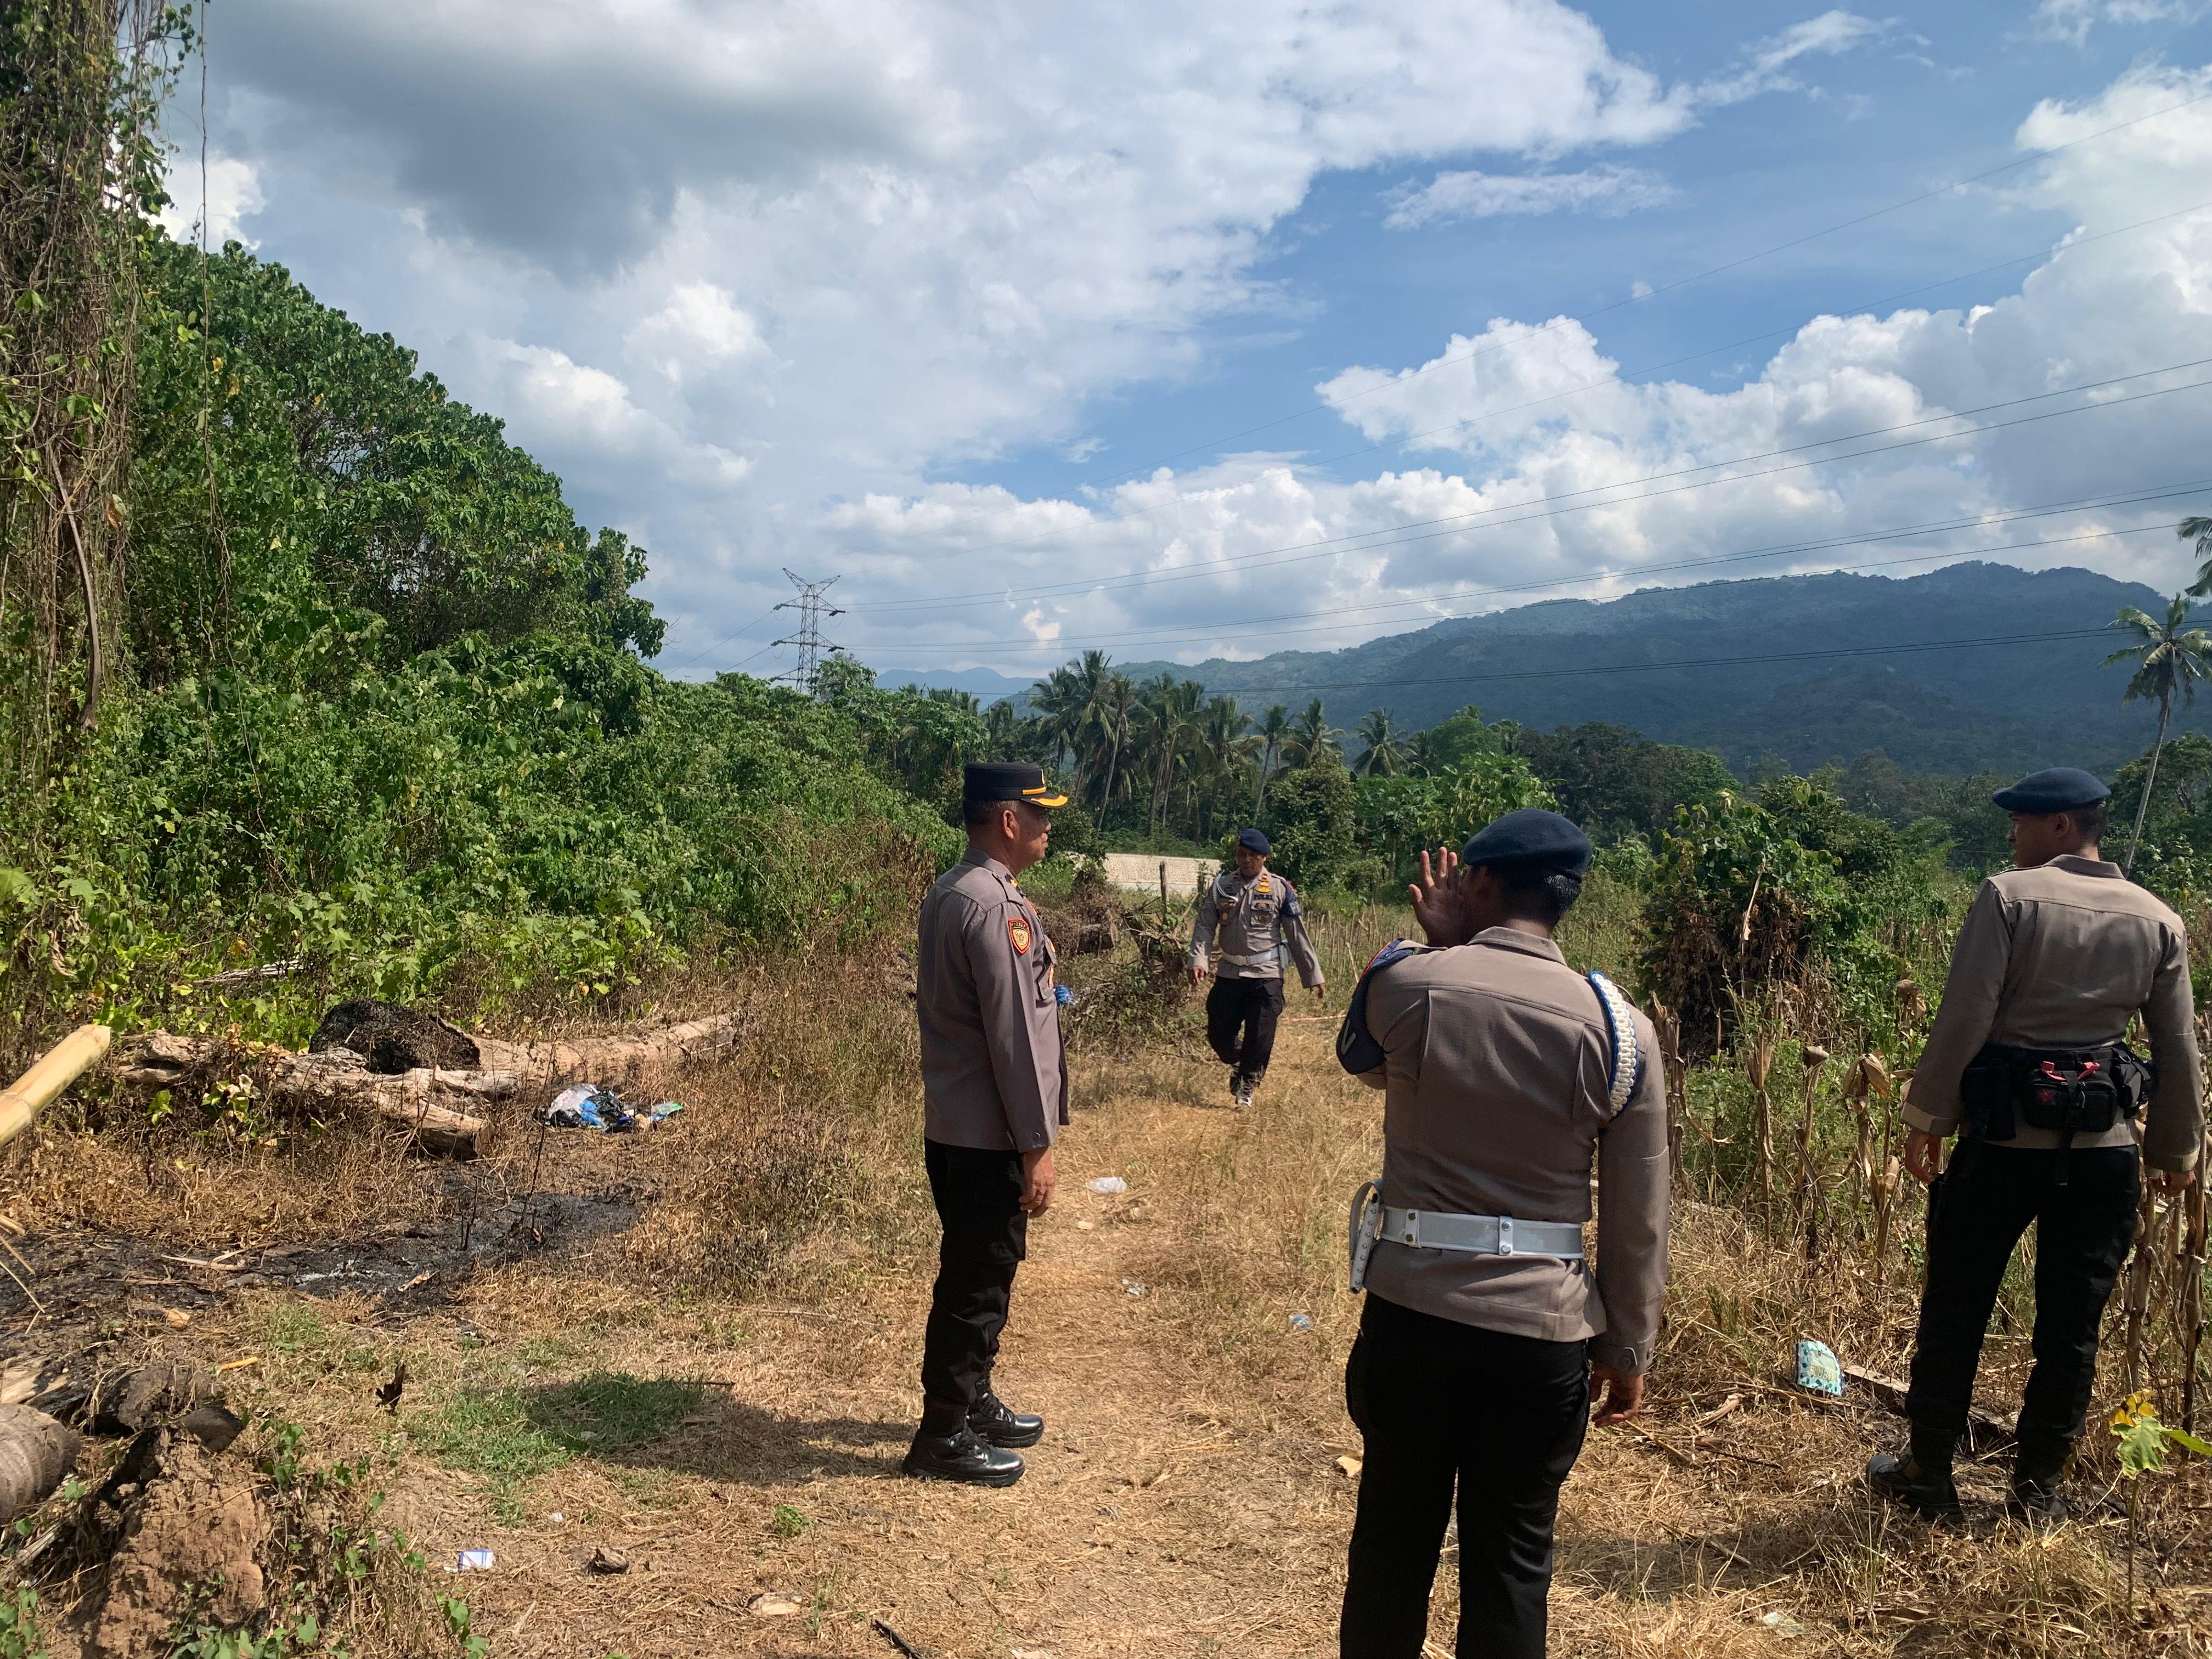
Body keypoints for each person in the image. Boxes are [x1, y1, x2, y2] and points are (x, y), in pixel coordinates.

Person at [1334, 809, 1669, 1659]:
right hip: (1543, 1333)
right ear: (1566, 900)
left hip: (1414, 1316)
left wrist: (1439, 945)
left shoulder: (1410, 985)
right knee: (1515, 1561)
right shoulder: (1622, 1029)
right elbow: (1638, 1214)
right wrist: (1626, 1348)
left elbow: (1363, 1059)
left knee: (1391, 1544)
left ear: (1479, 882)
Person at [1867, 767, 2203, 1522]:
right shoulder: (2158, 919)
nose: (2012, 834)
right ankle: (2037, 1489)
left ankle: (1928, 1473)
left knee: (1958, 1303)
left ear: (2061, 827)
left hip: (2002, 1142)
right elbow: (2177, 1048)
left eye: (2022, 822)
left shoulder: (2007, 898)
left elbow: (1965, 1018)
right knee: (2071, 1325)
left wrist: (1926, 1121)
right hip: (2104, 1151)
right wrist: (2176, 1151)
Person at [904, 761, 1071, 1487]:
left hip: (957, 1127)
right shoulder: (994, 909)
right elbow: (1015, 1039)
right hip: (988, 1137)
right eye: (1039, 816)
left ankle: (972, 1400)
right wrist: (1038, 1147)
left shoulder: (954, 891)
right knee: (976, 1284)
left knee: (984, 1274)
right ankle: (942, 1432)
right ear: (1008, 820)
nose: (1046, 829)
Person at [1186, 827, 1325, 1110]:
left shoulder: (1279, 889)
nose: (1246, 860)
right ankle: (1240, 1061)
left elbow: (1296, 934)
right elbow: (1204, 925)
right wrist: (1198, 959)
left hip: (1266, 975)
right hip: (1230, 974)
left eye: (1253, 855)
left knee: (1260, 1036)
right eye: (1241, 854)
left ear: (1263, 858)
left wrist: (1312, 975)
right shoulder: (1222, 886)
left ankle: (1246, 1088)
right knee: (1219, 1034)